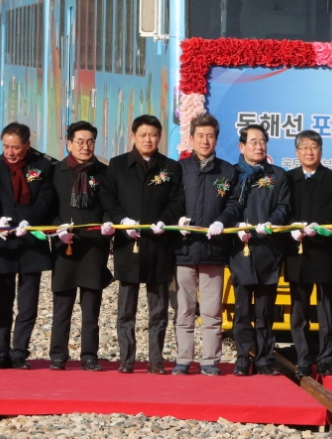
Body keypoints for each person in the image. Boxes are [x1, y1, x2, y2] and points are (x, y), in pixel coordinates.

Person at [100, 114, 185, 374]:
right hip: (128, 245)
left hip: (159, 246)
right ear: (133, 136)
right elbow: (108, 197)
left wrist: (164, 221)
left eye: (153, 135)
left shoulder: (170, 167)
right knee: (126, 308)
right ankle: (127, 359)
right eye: (143, 134)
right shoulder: (117, 165)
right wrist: (122, 220)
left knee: (158, 308)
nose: (148, 139)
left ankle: (156, 359)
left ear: (159, 138)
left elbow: (177, 201)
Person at [220, 124, 291, 377]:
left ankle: (264, 360)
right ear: (242, 146)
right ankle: (242, 358)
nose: (258, 146)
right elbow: (224, 204)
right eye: (253, 142)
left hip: (267, 252)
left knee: (264, 312)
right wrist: (234, 224)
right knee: (242, 312)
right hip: (240, 253)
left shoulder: (278, 175)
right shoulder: (231, 175)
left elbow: (284, 206)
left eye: (262, 142)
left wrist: (270, 223)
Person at [173, 114, 238, 376]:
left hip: (214, 250)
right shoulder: (179, 169)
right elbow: (171, 200)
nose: (205, 140)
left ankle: (210, 360)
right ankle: (183, 359)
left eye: (210, 135)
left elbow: (234, 205)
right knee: (185, 309)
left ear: (216, 139)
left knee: (211, 310)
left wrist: (222, 221)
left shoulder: (227, 171)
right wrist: (175, 219)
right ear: (191, 138)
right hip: (184, 249)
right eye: (200, 135)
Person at [0, 123, 55, 370]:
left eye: (16, 147)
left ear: (27, 144)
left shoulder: (43, 166)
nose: (10, 152)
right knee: (3, 303)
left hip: (30, 241)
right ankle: (0, 351)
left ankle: (19, 352)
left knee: (27, 304)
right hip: (4, 240)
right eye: (6, 146)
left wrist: (31, 220)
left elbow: (47, 199)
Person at [48, 121, 113, 372]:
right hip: (65, 247)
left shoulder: (104, 173)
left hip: (94, 247)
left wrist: (108, 223)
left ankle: (89, 355)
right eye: (80, 142)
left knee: (91, 307)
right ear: (69, 143)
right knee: (62, 304)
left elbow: (108, 205)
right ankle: (58, 355)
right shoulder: (56, 172)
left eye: (90, 142)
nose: (86, 147)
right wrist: (57, 229)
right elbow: (49, 208)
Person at [285, 130, 332, 378]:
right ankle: (302, 358)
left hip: (323, 253)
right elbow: (281, 209)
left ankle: (325, 359)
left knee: (327, 311)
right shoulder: (287, 179)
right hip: (296, 253)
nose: (309, 152)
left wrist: (317, 225)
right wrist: (292, 228)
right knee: (298, 311)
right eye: (304, 147)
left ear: (321, 151)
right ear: (297, 152)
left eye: (314, 147)